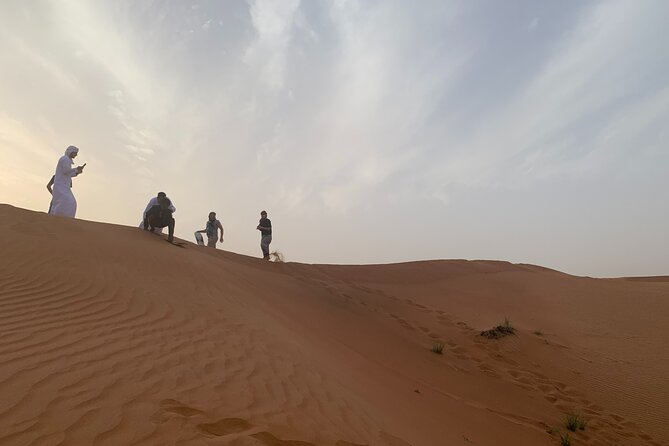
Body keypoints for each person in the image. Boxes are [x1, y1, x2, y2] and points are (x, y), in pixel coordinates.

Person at [49, 146, 85, 217]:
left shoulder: (67, 160)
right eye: (75, 153)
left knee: (71, 202)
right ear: (71, 152)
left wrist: (77, 171)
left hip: (64, 186)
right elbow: (66, 171)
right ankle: (57, 217)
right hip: (60, 186)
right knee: (68, 201)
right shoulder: (65, 159)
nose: (76, 155)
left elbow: (68, 174)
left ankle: (65, 219)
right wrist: (76, 169)